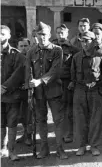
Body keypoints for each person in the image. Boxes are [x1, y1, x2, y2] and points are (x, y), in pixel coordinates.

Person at [25, 22, 68, 159]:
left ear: (49, 35)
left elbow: (55, 71)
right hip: (38, 93)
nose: (42, 37)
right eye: (39, 34)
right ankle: (44, 149)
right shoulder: (31, 51)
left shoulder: (57, 50)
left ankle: (60, 149)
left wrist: (40, 81)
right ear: (36, 35)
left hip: (54, 90)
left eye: (44, 34)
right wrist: (29, 86)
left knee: (58, 121)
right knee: (40, 120)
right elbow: (28, 71)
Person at [70, 31, 102, 156]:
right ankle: (81, 145)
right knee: (80, 119)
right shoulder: (76, 57)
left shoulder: (101, 56)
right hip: (80, 91)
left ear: (93, 41)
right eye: (82, 41)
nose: (85, 44)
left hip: (95, 90)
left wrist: (98, 84)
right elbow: (73, 74)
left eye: (87, 41)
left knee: (96, 119)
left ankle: (94, 145)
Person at [1, 25, 25, 161]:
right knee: (0, 124)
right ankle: (1, 148)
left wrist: (4, 87)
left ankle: (12, 151)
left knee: (12, 124)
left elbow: (18, 73)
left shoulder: (17, 55)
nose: (0, 37)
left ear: (9, 36)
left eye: (3, 34)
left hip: (12, 96)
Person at [52, 24, 80, 143]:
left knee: (69, 110)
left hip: (67, 83)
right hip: (54, 83)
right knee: (57, 109)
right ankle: (60, 133)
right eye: (58, 33)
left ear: (67, 33)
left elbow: (76, 67)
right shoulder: (52, 47)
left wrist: (73, 81)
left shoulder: (73, 49)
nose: (60, 35)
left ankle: (70, 133)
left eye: (62, 33)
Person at [16, 38, 32, 146]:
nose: (23, 48)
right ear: (17, 47)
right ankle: (25, 134)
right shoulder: (15, 58)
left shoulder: (32, 57)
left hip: (30, 90)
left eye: (25, 45)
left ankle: (29, 136)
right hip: (18, 90)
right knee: (21, 114)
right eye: (21, 46)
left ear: (29, 46)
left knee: (29, 114)